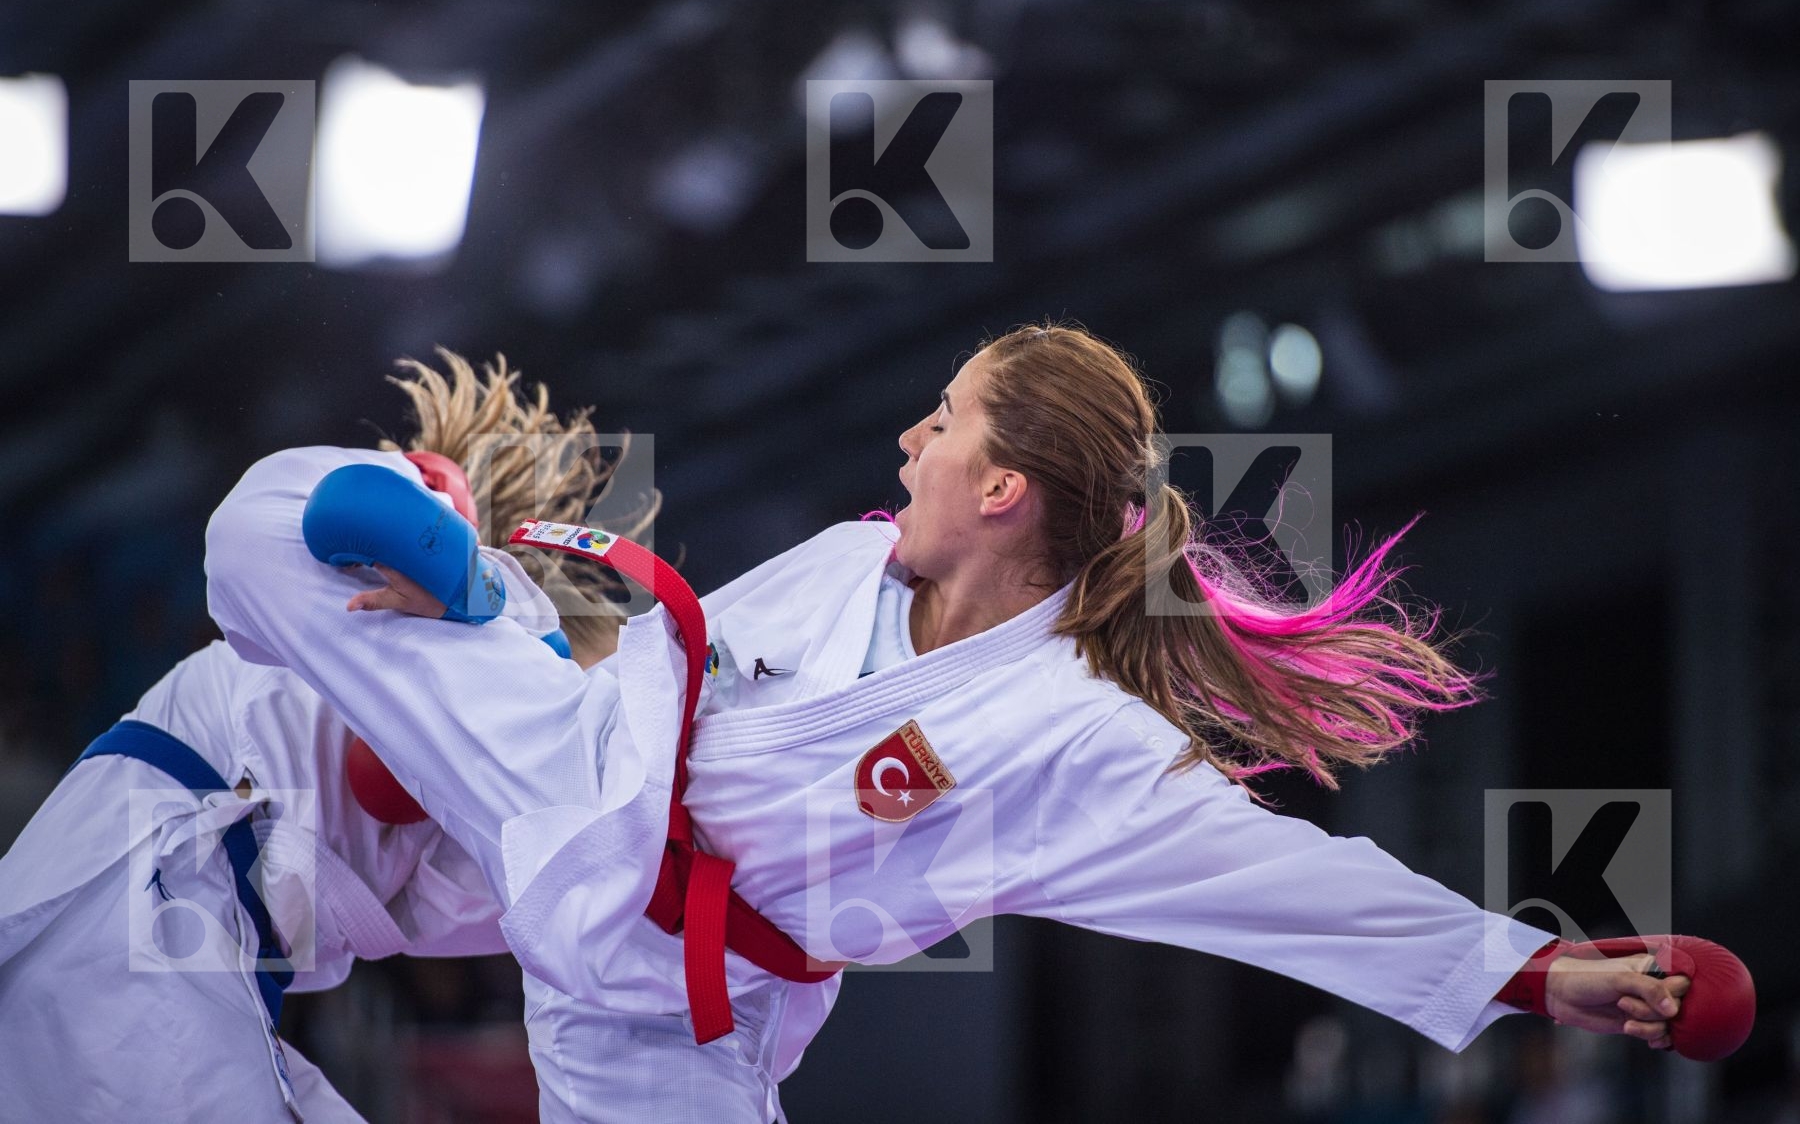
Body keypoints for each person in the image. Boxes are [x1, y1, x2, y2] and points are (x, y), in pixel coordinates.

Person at [205, 321, 1710, 1124]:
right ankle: (455, 564)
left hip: (667, 999)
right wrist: (512, 599)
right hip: (563, 770)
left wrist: (1532, 971)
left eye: (944, 419)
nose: (909, 439)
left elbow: (1292, 887)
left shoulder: (1075, 738)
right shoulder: (856, 553)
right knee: (266, 528)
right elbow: (678, 674)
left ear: (1005, 491)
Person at [0, 351, 639, 1123]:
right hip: (151, 907)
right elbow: (347, 510)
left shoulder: (539, 795)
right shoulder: (413, 601)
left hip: (182, 946)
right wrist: (489, 598)